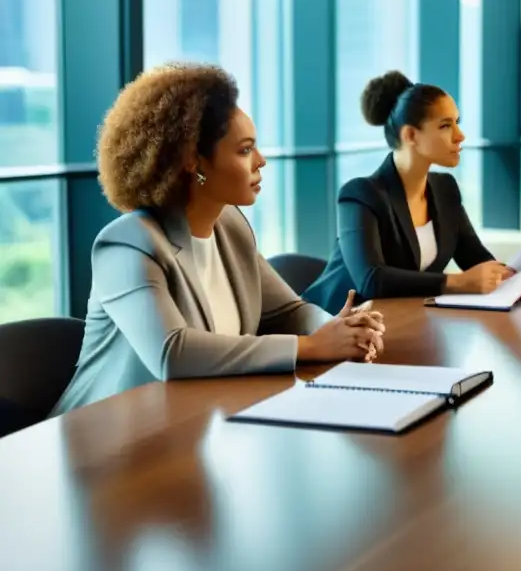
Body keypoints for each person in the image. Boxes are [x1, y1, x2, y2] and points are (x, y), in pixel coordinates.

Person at [51, 62, 385, 415]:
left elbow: (289, 311)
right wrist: (312, 347)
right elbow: (172, 353)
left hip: (194, 423)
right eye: (244, 150)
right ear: (192, 161)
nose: (261, 161)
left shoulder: (229, 226)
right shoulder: (127, 244)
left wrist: (337, 328)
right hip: (106, 440)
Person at [303, 71, 514, 310]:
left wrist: (512, 281)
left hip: (400, 324)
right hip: (333, 325)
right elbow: (372, 281)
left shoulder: (445, 189)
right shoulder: (360, 195)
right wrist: (457, 282)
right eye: (446, 125)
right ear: (411, 135)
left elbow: (475, 258)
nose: (459, 136)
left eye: (457, 123)